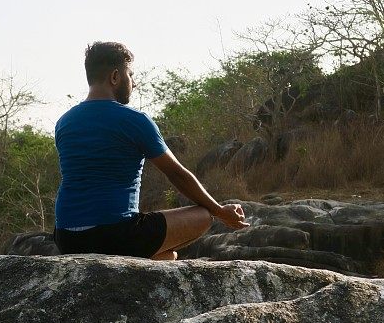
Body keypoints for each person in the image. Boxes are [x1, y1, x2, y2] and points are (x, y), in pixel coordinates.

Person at [53, 41, 249, 260]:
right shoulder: (134, 120)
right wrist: (220, 211)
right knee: (204, 215)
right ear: (115, 77)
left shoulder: (64, 122)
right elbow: (176, 174)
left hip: (66, 238)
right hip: (114, 235)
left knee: (168, 257)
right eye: (131, 75)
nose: (134, 83)